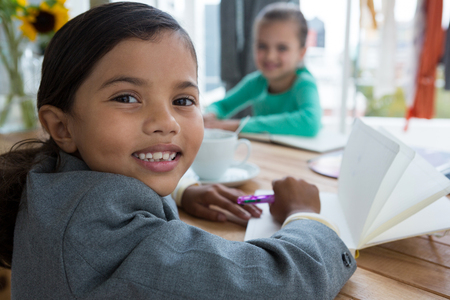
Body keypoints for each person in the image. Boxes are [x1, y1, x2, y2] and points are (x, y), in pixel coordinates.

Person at [0, 2, 355, 299]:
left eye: (183, 100)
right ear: (62, 126)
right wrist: (307, 216)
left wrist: (182, 192)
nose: (166, 122)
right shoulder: (103, 233)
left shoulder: (50, 176)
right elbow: (281, 285)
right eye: (127, 98)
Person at [204, 2, 322, 137]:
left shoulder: (304, 83)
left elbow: (310, 123)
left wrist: (236, 125)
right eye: (262, 46)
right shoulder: (256, 82)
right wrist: (210, 115)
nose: (270, 56)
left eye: (282, 48)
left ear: (301, 53)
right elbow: (222, 106)